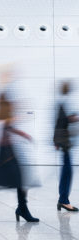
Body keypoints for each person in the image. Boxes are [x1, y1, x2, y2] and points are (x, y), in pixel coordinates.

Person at [0, 93, 39, 222]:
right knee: (20, 181)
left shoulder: (3, 112)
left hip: (8, 152)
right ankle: (22, 209)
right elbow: (5, 124)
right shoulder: (2, 112)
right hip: (6, 153)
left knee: (21, 182)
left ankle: (22, 208)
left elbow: (8, 126)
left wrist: (23, 134)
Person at [54, 81, 79, 212]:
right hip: (65, 142)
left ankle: (63, 199)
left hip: (64, 142)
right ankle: (63, 200)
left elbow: (58, 121)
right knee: (67, 171)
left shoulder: (62, 102)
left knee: (67, 170)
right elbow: (63, 121)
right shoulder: (65, 102)